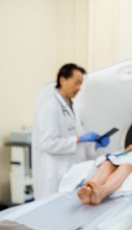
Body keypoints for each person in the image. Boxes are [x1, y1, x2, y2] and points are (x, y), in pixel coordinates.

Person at [33, 63, 109, 200]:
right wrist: (79, 139)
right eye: (76, 83)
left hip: (71, 171)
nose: (79, 88)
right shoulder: (50, 108)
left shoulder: (72, 108)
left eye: (81, 84)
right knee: (52, 211)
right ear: (62, 80)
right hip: (56, 173)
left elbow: (74, 139)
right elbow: (48, 144)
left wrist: (94, 145)